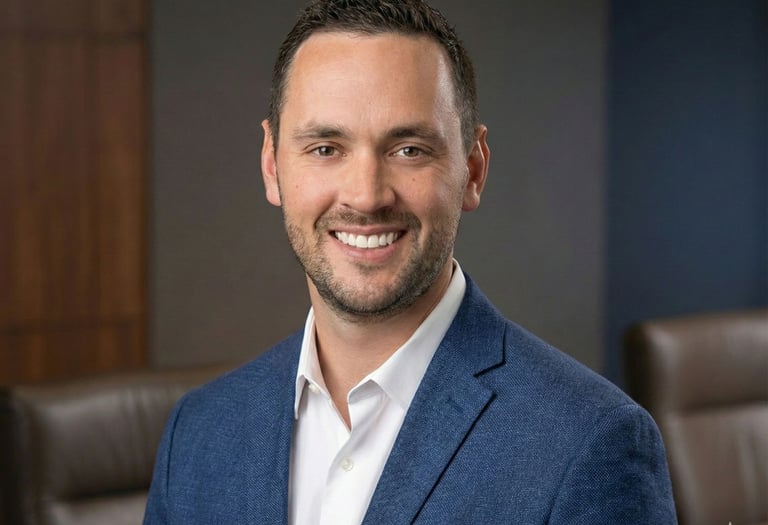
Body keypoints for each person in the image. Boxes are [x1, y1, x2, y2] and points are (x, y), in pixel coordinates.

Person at [144, 1, 677, 523]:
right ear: (271, 165)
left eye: (409, 150)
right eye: (326, 148)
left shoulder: (590, 444)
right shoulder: (198, 433)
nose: (367, 196)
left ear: (472, 169)